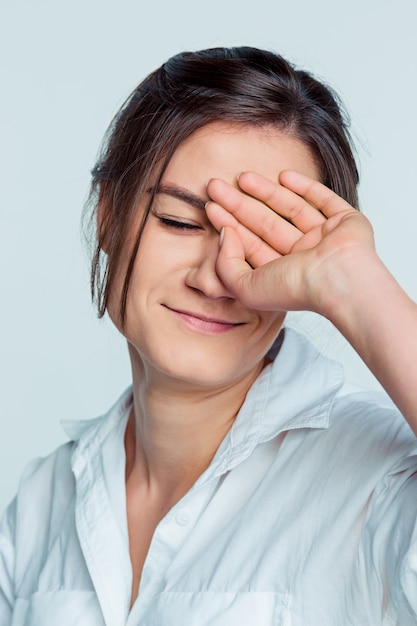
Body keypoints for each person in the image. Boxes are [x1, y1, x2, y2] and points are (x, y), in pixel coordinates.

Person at [1, 46, 417, 625]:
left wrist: (356, 285)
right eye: (178, 221)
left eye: (264, 242)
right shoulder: (43, 502)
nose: (217, 278)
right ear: (107, 215)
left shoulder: (381, 478)